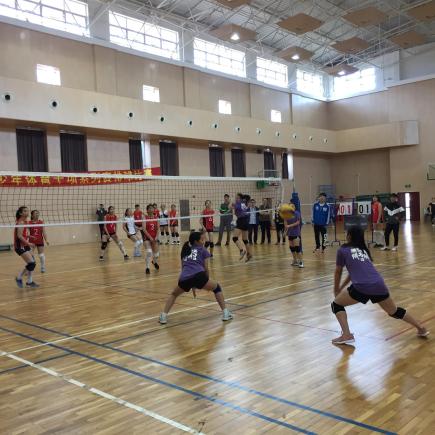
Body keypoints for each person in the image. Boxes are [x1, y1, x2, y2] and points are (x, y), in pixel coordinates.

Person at [331, 226, 428, 345]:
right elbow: (352, 273)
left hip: (362, 286)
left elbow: (338, 271)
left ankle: (346, 335)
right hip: (378, 284)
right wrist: (341, 288)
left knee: (336, 304)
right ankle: (421, 328)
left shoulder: (343, 250)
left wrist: (336, 289)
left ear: (349, 236)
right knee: (394, 311)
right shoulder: (363, 250)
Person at [158, 231, 233, 324]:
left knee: (174, 294)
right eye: (202, 240)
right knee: (217, 287)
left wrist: (192, 285)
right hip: (199, 276)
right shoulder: (203, 250)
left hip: (184, 278)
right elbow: (206, 268)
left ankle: (163, 316)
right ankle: (225, 313)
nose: (204, 241)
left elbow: (183, 268)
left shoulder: (185, 250)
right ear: (196, 241)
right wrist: (206, 281)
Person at [14, 206, 39, 288]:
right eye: (25, 211)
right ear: (21, 213)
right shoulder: (20, 222)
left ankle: (29, 282)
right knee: (31, 263)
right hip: (20, 246)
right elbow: (19, 236)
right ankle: (19, 277)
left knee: (32, 263)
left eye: (27, 211)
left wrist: (30, 236)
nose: (27, 212)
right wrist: (29, 243)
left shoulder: (24, 222)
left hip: (24, 245)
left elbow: (24, 234)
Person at [233, 193, 252, 261]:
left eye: (237, 198)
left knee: (234, 238)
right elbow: (238, 212)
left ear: (241, 199)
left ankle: (242, 250)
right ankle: (249, 254)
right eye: (235, 197)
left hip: (241, 221)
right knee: (245, 240)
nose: (236, 199)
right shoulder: (244, 204)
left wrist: (232, 204)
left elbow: (231, 207)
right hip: (246, 222)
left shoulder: (238, 204)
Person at [143, 204, 160, 275]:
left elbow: (158, 228)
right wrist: (149, 237)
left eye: (152, 208)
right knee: (149, 252)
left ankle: (154, 262)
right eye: (149, 208)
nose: (151, 209)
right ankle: (147, 268)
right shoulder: (144, 218)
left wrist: (156, 237)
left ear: (154, 210)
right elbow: (144, 229)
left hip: (154, 238)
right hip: (147, 238)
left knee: (156, 255)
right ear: (147, 210)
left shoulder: (156, 218)